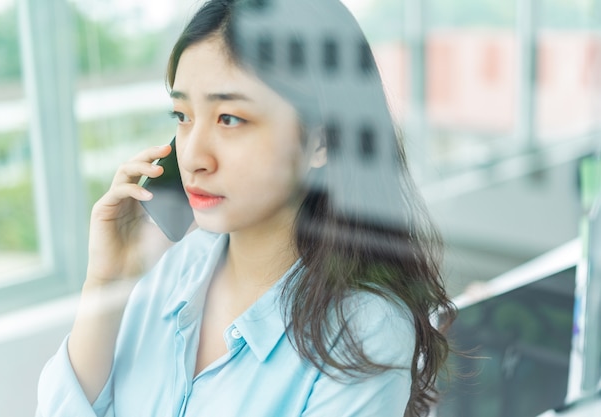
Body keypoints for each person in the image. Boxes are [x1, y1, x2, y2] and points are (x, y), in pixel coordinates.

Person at [36, 0, 455, 416]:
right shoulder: (169, 272)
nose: (194, 156)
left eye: (230, 119)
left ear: (322, 142)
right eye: (182, 115)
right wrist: (107, 281)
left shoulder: (363, 330)